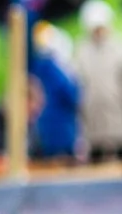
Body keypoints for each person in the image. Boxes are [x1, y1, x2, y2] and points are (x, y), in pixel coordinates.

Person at [74, 0, 122, 165]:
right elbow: (76, 83)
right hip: (93, 119)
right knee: (96, 160)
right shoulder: (81, 51)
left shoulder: (120, 49)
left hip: (118, 116)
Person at [27, 21, 82, 163]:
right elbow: (73, 96)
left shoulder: (36, 67)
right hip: (61, 133)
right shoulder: (57, 70)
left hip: (41, 133)